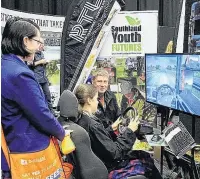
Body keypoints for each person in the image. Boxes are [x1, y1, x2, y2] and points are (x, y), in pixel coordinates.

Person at [1, 18, 66, 178]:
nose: (39, 47)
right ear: (25, 41)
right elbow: (41, 114)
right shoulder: (20, 74)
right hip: (30, 152)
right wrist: (62, 134)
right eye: (38, 41)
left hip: (13, 146)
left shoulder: (6, 65)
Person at [74, 84, 162, 179]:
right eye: (96, 99)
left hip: (99, 162)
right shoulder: (93, 125)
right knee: (146, 159)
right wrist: (130, 130)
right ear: (89, 100)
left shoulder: (82, 119)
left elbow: (100, 141)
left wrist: (111, 128)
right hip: (109, 166)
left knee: (140, 153)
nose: (97, 102)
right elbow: (115, 153)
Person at [28, 38, 55, 114]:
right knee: (39, 98)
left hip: (44, 79)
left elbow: (41, 64)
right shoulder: (32, 53)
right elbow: (29, 64)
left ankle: (51, 112)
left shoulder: (41, 53)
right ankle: (41, 113)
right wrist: (40, 62)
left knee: (48, 96)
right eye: (42, 44)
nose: (43, 46)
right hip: (36, 79)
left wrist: (45, 63)